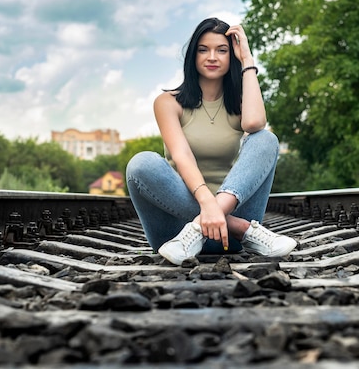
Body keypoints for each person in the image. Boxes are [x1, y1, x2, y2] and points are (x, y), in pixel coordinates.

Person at [125, 17, 296, 265]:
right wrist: (208, 206)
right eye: (203, 49)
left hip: (228, 239)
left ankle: (213, 225)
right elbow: (182, 155)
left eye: (222, 50)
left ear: (232, 56)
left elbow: (254, 124)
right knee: (141, 164)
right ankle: (241, 227)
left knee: (265, 139)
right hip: (177, 237)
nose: (212, 57)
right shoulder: (168, 103)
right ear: (193, 56)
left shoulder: (238, 104)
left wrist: (247, 61)